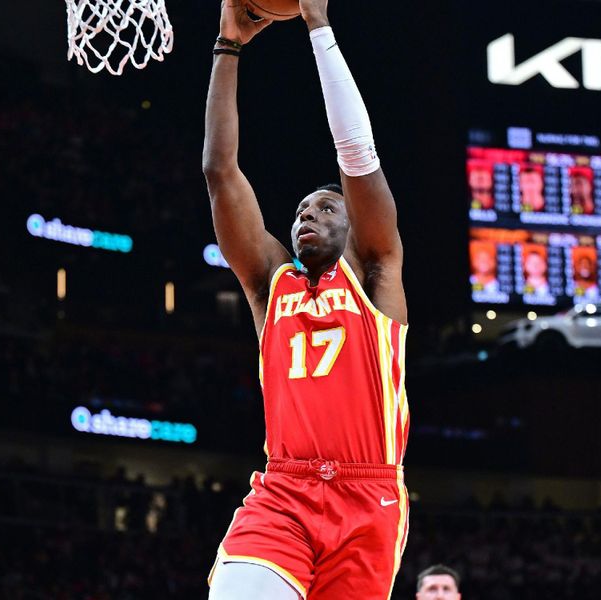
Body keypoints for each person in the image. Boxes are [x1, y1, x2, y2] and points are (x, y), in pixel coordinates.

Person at [203, 2, 408, 599]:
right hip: (283, 494)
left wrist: (320, 29)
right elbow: (220, 171)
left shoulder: (375, 274)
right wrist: (228, 47)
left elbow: (357, 156)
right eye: (298, 212)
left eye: (325, 207)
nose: (305, 216)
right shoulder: (273, 284)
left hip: (368, 500)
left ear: (356, 225)